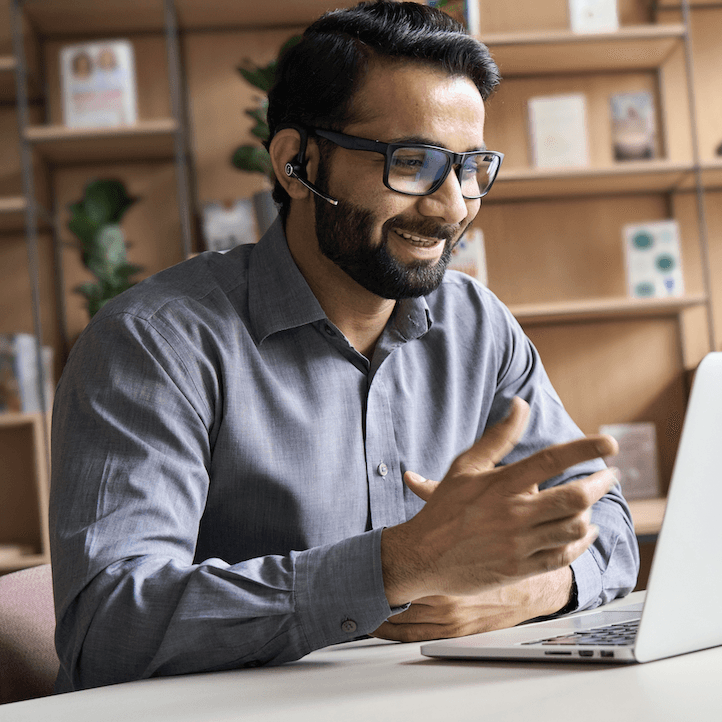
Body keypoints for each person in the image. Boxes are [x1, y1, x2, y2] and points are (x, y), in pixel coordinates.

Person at [49, 1, 638, 692]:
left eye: (470, 166)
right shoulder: (153, 344)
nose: (452, 206)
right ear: (296, 163)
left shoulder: (477, 326)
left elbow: (611, 530)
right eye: (411, 162)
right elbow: (107, 627)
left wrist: (522, 593)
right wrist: (399, 565)